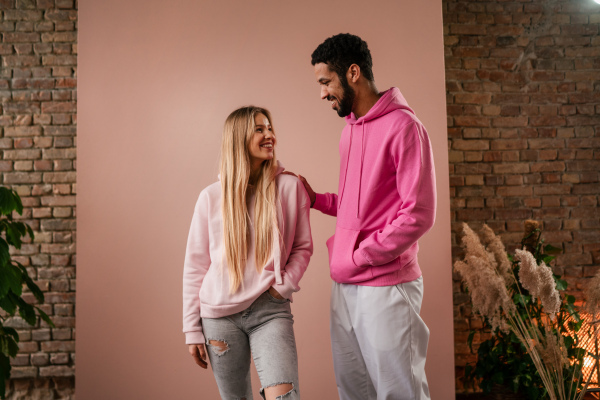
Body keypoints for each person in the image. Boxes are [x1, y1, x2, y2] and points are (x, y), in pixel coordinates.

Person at [295, 33, 436, 400]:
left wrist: (362, 254)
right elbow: (364, 205)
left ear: (353, 73)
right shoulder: (349, 132)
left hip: (386, 284)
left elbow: (418, 213)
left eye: (326, 82)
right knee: (354, 391)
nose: (322, 93)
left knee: (400, 393)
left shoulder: (405, 128)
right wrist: (318, 200)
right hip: (345, 285)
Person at [182, 106, 313, 400]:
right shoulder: (210, 198)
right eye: (259, 129)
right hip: (218, 318)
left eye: (270, 128)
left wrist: (283, 288)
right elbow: (195, 266)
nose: (270, 135)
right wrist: (192, 328)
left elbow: (303, 247)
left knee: (284, 397)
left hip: (270, 311)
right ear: (239, 138)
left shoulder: (290, 187)